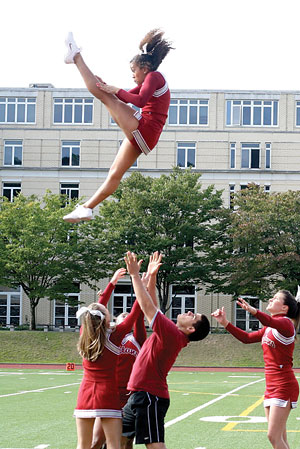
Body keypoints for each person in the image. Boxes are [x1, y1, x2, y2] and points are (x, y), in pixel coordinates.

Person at [63, 30, 172, 223]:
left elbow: (137, 101)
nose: (132, 75)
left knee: (105, 96)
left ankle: (76, 56)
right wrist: (108, 87)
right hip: (146, 134)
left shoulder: (154, 77)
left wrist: (112, 91)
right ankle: (87, 208)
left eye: (133, 70)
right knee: (114, 173)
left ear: (145, 68)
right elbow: (127, 95)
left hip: (145, 128)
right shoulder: (152, 79)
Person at [122, 251, 210, 449]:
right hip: (139, 394)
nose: (188, 311)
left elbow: (147, 307)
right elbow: (153, 305)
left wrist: (135, 275)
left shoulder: (172, 334)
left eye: (192, 315)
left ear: (191, 329)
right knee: (119, 437)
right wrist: (152, 276)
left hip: (150, 396)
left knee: (154, 445)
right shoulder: (172, 333)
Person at [211, 290, 300, 449]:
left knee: (273, 436)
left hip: (284, 385)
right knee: (279, 437)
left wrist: (253, 311)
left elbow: (271, 322)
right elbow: (246, 338)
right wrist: (225, 323)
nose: (271, 299)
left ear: (285, 308)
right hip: (271, 386)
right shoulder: (269, 327)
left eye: (276, 298)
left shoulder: (286, 324)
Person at [74, 289, 142, 449]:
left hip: (85, 393)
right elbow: (134, 313)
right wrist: (142, 288)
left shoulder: (84, 335)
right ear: (106, 319)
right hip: (107, 394)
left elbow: (97, 308)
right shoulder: (115, 336)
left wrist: (111, 284)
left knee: (83, 445)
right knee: (114, 444)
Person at [91, 268, 147, 449]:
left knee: (125, 441)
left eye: (127, 316)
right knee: (98, 441)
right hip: (109, 392)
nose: (124, 317)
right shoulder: (108, 337)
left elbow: (136, 315)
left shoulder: (135, 338)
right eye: (120, 316)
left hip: (129, 395)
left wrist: (140, 288)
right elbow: (96, 317)